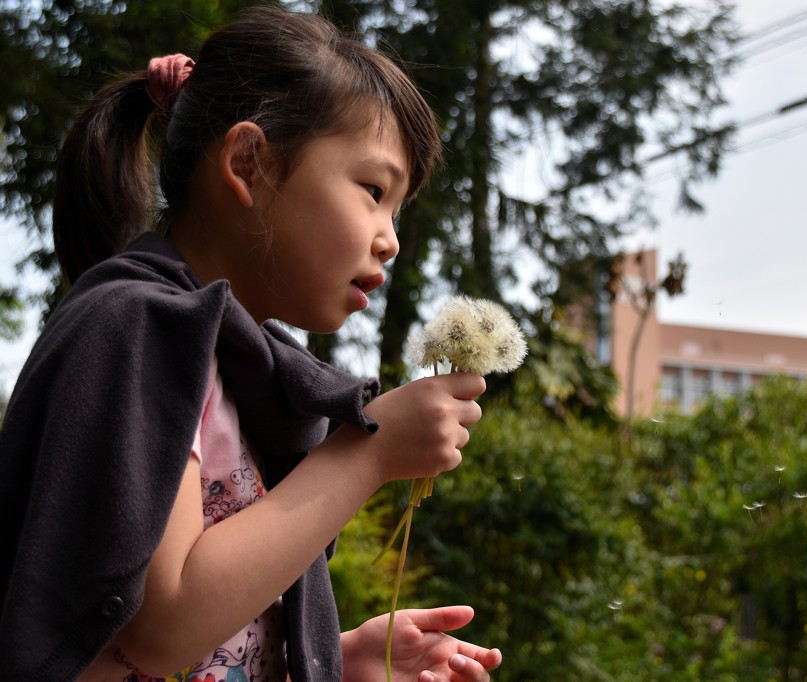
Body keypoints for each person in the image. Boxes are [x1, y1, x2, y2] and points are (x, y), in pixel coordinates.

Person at [0, 7, 502, 681]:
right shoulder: (137, 327)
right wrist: (369, 453)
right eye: (373, 190)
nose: (390, 238)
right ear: (247, 164)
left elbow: (198, 640)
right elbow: (160, 628)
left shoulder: (235, 369)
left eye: (396, 208)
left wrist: (334, 656)